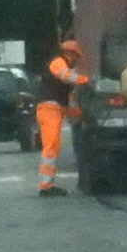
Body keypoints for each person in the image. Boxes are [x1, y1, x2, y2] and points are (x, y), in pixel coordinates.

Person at [36, 38, 89, 197]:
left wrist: (81, 114)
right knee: (51, 145)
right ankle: (45, 186)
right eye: (76, 56)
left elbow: (67, 101)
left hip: (54, 108)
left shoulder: (63, 66)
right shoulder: (58, 62)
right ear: (69, 53)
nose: (76, 60)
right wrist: (87, 81)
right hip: (48, 109)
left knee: (53, 145)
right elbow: (67, 77)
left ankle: (47, 184)